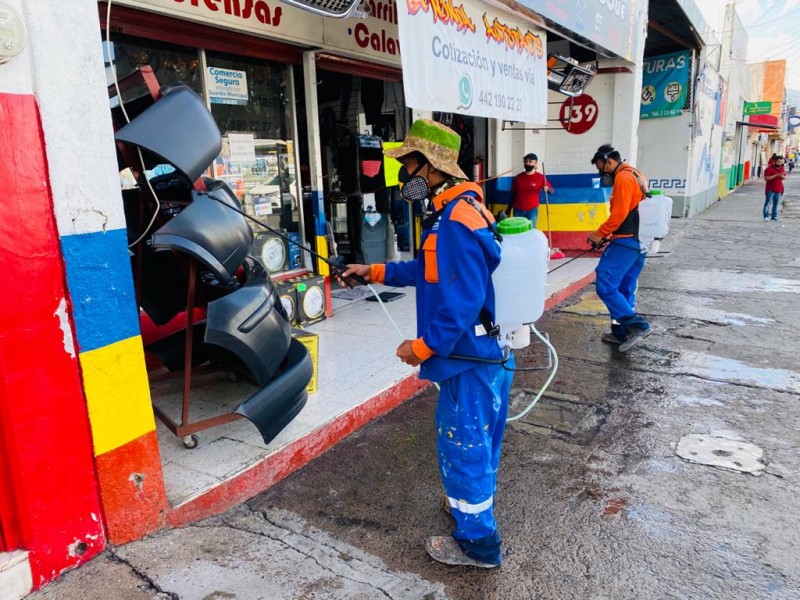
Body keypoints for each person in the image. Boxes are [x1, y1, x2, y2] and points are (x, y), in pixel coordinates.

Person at [340, 119, 514, 568]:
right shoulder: (455, 211)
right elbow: (428, 273)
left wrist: (422, 347)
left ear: (431, 166)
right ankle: (470, 509)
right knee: (478, 444)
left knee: (463, 446)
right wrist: (374, 271)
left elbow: (464, 301)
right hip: (478, 353)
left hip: (465, 357)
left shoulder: (456, 219)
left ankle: (478, 543)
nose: (402, 174)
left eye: (408, 163)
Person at [588, 144, 652, 353]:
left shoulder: (624, 178)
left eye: (602, 168)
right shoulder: (637, 174)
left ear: (610, 161)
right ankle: (622, 333)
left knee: (605, 282)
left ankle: (638, 326)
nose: (602, 173)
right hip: (639, 241)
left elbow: (619, 214)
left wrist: (599, 233)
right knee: (624, 286)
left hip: (626, 240)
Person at [505, 153, 553, 227]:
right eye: (526, 161)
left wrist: (548, 188)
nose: (527, 163)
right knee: (518, 232)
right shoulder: (518, 177)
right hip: (518, 210)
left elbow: (552, 190)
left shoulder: (540, 177)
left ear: (535, 163)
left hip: (532, 210)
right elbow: (513, 195)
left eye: (530, 162)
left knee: (531, 232)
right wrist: (508, 211)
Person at [763, 154, 786, 222]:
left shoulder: (782, 168)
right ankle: (766, 216)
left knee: (776, 203)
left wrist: (781, 176)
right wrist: (776, 175)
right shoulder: (769, 169)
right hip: (770, 189)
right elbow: (766, 178)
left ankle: (774, 216)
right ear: (774, 161)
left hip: (779, 189)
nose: (780, 164)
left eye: (781, 162)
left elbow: (784, 177)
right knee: (768, 203)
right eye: (778, 162)